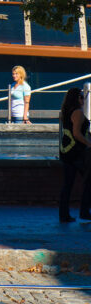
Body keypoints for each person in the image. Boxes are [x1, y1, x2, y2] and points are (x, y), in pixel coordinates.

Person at [59, 88, 91, 222]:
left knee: (68, 184)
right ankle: (84, 211)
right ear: (77, 98)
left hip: (66, 151)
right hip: (77, 152)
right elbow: (77, 133)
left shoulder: (64, 112)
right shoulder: (77, 112)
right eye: (82, 97)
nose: (83, 100)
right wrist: (89, 144)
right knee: (89, 181)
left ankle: (64, 214)